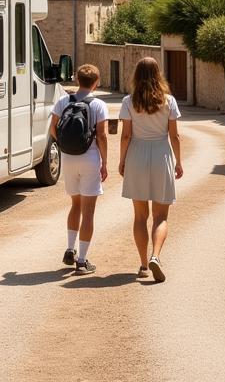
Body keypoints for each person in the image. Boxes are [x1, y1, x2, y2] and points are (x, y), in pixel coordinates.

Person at [118, 56, 183, 282]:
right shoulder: (169, 101)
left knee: (139, 217)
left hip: (137, 155)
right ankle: (156, 255)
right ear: (158, 74)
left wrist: (122, 160)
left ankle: (144, 264)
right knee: (161, 216)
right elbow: (174, 135)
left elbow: (126, 135)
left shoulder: (128, 102)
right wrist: (179, 162)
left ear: (136, 75)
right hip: (161, 155)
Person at [50, 64, 108, 275]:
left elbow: (53, 129)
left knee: (75, 205)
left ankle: (69, 248)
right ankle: (82, 261)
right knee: (89, 210)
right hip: (89, 158)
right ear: (96, 82)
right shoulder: (99, 105)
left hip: (68, 159)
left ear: (76, 80)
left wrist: (66, 146)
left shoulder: (63, 101)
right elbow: (101, 135)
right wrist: (105, 161)